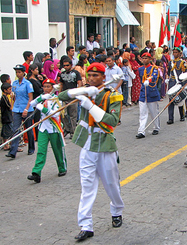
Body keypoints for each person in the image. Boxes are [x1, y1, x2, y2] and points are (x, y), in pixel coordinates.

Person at [58, 62, 125, 241]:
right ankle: (86, 225)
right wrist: (78, 92)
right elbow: (62, 95)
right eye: (89, 75)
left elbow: (111, 121)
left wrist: (89, 105)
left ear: (104, 77)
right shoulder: (85, 91)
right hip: (87, 145)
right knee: (87, 187)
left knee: (111, 185)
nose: (92, 78)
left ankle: (117, 210)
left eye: (96, 75)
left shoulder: (113, 96)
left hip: (104, 143)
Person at [27, 79, 67, 183]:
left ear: (53, 88)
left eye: (48, 87)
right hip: (43, 128)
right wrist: (41, 98)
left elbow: (56, 114)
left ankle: (62, 168)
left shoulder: (57, 99)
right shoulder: (42, 98)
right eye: (44, 86)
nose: (45, 89)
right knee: (41, 151)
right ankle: (36, 173)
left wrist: (43, 108)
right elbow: (32, 103)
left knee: (57, 150)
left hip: (53, 128)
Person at [6, 65, 35, 159]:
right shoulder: (14, 83)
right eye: (16, 72)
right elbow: (13, 96)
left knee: (28, 129)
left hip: (27, 108)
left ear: (23, 73)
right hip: (17, 108)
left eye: (19, 72)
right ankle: (13, 151)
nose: (18, 74)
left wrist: (26, 109)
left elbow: (30, 97)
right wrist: (12, 106)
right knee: (16, 130)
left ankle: (31, 148)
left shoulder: (27, 83)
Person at [136, 53, 160, 139]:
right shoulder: (140, 69)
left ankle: (156, 127)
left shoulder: (154, 68)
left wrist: (148, 80)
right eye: (143, 58)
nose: (144, 60)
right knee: (142, 113)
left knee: (154, 112)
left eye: (146, 58)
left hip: (151, 92)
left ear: (150, 59)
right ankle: (141, 131)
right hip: (143, 93)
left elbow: (154, 76)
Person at [58, 58, 82, 139]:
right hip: (64, 96)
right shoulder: (62, 74)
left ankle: (73, 131)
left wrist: (78, 93)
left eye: (67, 65)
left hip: (73, 96)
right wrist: (59, 94)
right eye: (64, 65)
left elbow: (79, 83)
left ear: (71, 65)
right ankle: (67, 129)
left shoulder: (76, 73)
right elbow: (61, 84)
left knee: (73, 115)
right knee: (63, 114)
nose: (66, 67)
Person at [167, 47, 186, 124]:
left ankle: (182, 115)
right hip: (172, 82)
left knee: (180, 99)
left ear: (179, 53)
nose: (174, 54)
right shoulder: (170, 62)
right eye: (173, 52)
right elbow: (169, 72)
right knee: (171, 100)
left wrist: (182, 83)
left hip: (179, 82)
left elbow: (184, 73)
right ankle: (170, 118)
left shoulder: (182, 62)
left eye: (176, 52)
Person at [0, 83, 14, 151]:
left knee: (6, 131)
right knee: (10, 131)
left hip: (6, 117)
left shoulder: (4, 97)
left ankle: (6, 145)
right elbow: (9, 107)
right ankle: (8, 145)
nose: (10, 91)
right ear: (5, 90)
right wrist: (11, 98)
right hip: (6, 117)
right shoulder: (4, 98)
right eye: (9, 89)